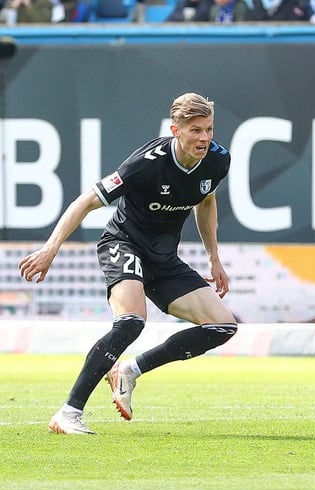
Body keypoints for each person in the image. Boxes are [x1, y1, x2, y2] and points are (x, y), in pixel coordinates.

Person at [19, 92, 238, 435]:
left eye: (209, 129)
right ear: (175, 130)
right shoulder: (146, 163)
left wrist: (214, 257)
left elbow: (206, 202)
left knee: (222, 326)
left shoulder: (217, 160)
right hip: (124, 243)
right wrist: (50, 249)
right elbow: (88, 200)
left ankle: (131, 370)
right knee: (132, 321)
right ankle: (68, 413)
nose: (205, 138)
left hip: (163, 257)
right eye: (195, 130)